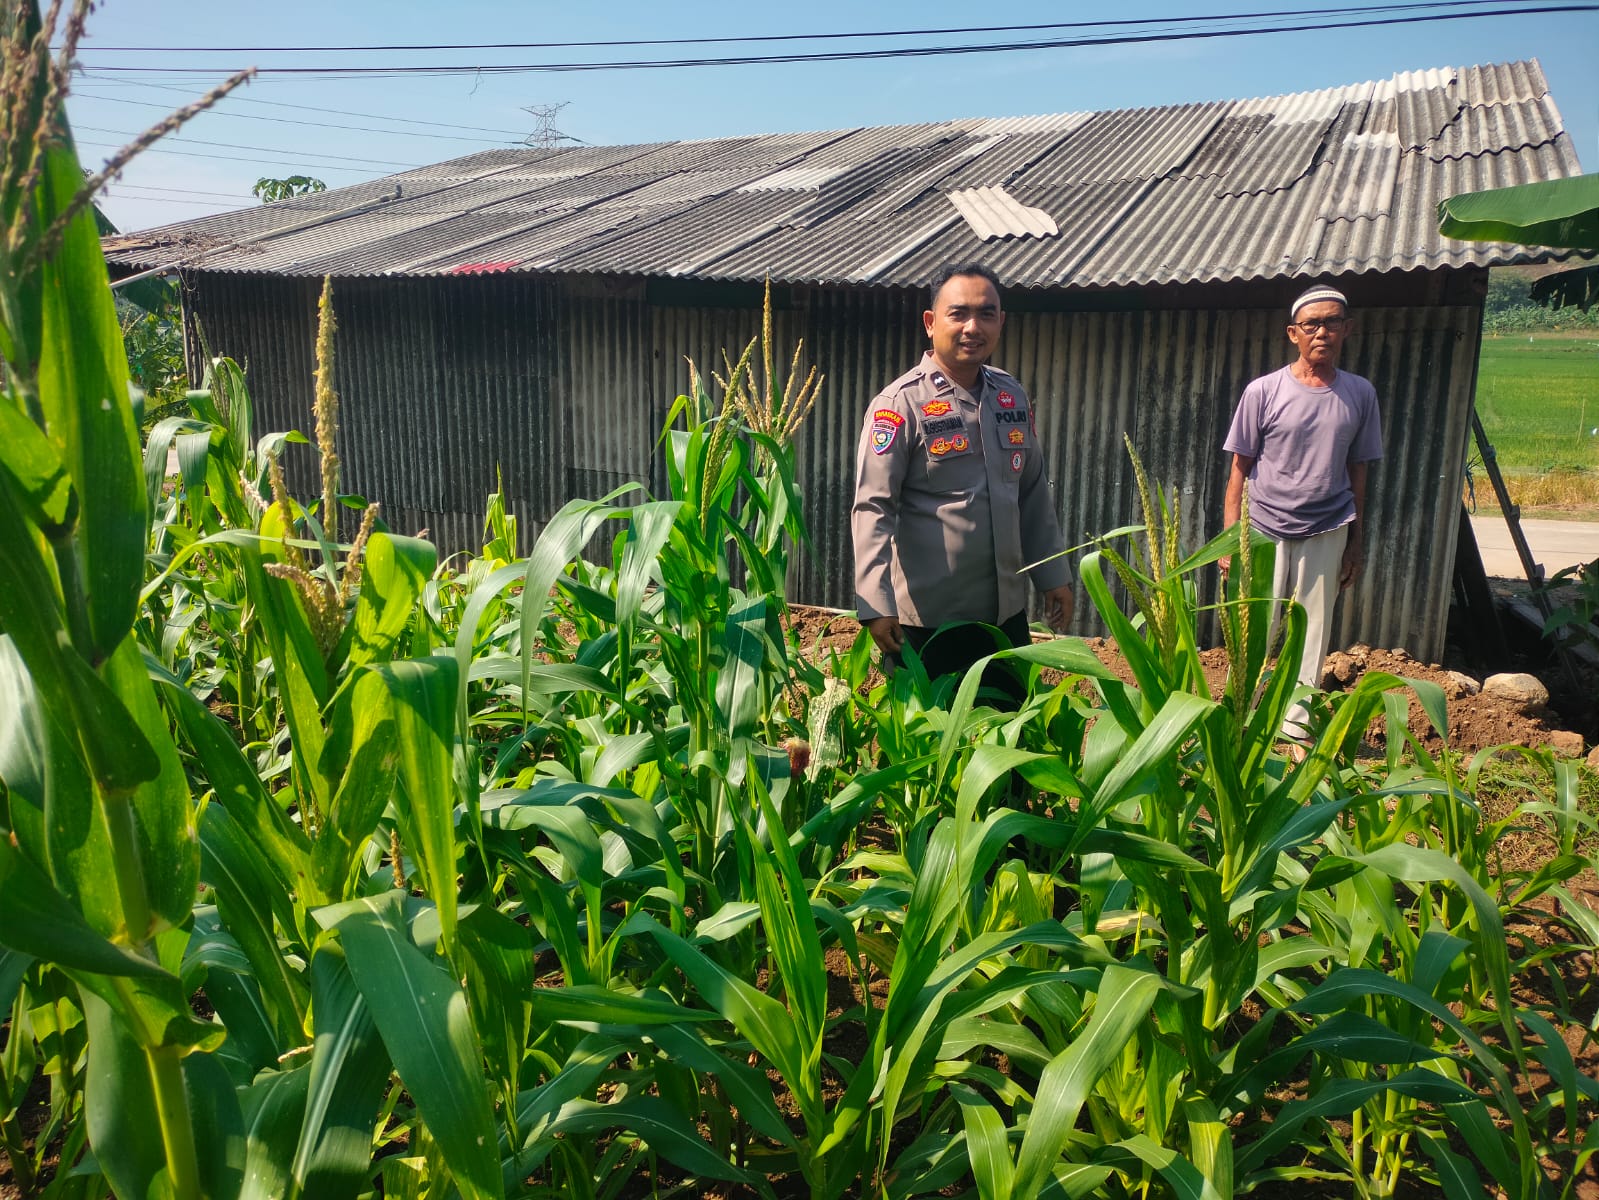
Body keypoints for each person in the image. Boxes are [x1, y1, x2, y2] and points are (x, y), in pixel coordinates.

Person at [851, 263, 1074, 703]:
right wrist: (875, 604)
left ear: (1001, 322)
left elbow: (1031, 492)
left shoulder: (1010, 397)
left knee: (1008, 729)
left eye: (986, 314)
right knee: (929, 737)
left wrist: (1054, 576)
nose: (973, 327)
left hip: (1003, 619)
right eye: (958, 314)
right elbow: (874, 507)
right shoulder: (899, 405)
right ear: (931, 323)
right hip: (928, 625)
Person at [1221, 283, 1383, 740]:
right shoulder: (1263, 391)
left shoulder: (1360, 394)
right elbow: (1239, 469)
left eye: (1332, 322)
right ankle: (1239, 718)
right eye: (1311, 324)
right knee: (1255, 627)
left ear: (1347, 329)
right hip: (1263, 527)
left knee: (1312, 631)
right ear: (1293, 333)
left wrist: (1356, 542)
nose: (1322, 332)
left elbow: (1359, 471)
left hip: (1328, 526)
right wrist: (1230, 539)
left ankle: (1296, 727)